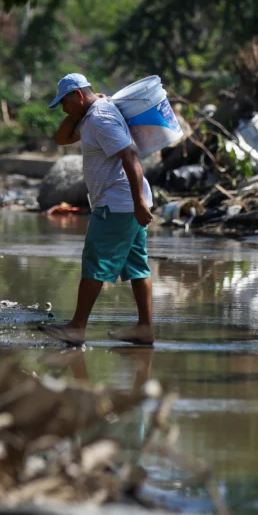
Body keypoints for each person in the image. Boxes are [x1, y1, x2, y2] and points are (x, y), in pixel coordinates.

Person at [40, 73, 154, 346]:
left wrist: (138, 203)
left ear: (78, 95)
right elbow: (62, 137)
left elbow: (130, 157)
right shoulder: (92, 116)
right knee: (137, 266)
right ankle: (145, 328)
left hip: (118, 203)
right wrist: (79, 110)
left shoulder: (100, 118)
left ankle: (77, 328)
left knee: (95, 262)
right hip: (125, 202)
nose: (64, 109)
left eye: (65, 103)